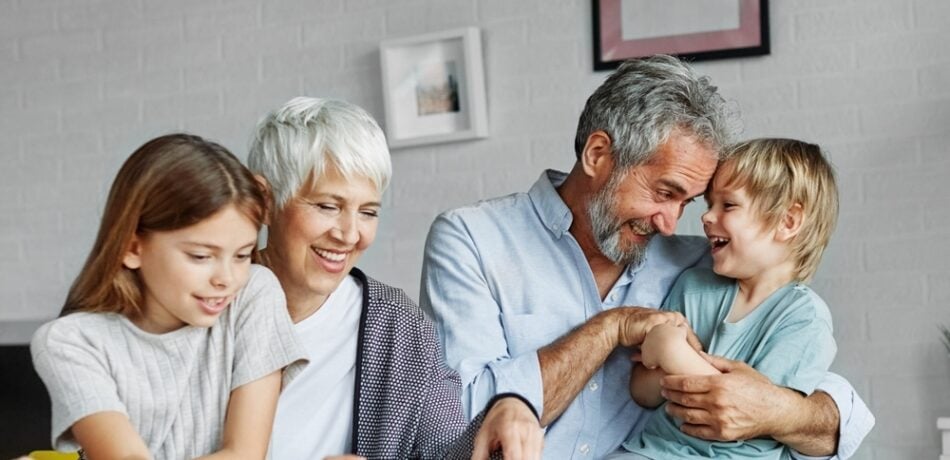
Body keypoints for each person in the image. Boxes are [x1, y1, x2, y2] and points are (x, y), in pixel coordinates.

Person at [420, 55, 874, 459]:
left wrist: (781, 410)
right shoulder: (471, 240)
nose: (671, 224)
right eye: (664, 192)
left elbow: (821, 399)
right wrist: (611, 328)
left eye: (688, 202)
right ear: (598, 155)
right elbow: (461, 422)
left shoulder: (704, 266)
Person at [246, 97, 543, 459]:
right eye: (328, 206)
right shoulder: (204, 307)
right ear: (264, 201)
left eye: (368, 212)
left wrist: (507, 406)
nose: (350, 234)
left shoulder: (398, 327)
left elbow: (447, 450)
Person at [30, 134, 308, 459]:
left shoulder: (253, 293)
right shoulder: (70, 342)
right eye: (201, 256)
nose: (227, 279)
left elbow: (245, 454)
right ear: (132, 248)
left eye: (242, 255)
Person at [615, 138, 840, 458]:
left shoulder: (803, 318)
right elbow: (642, 392)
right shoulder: (694, 286)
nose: (706, 217)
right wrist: (669, 359)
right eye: (709, 205)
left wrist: (668, 348)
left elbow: (737, 414)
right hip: (653, 451)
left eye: (728, 205)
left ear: (788, 222)